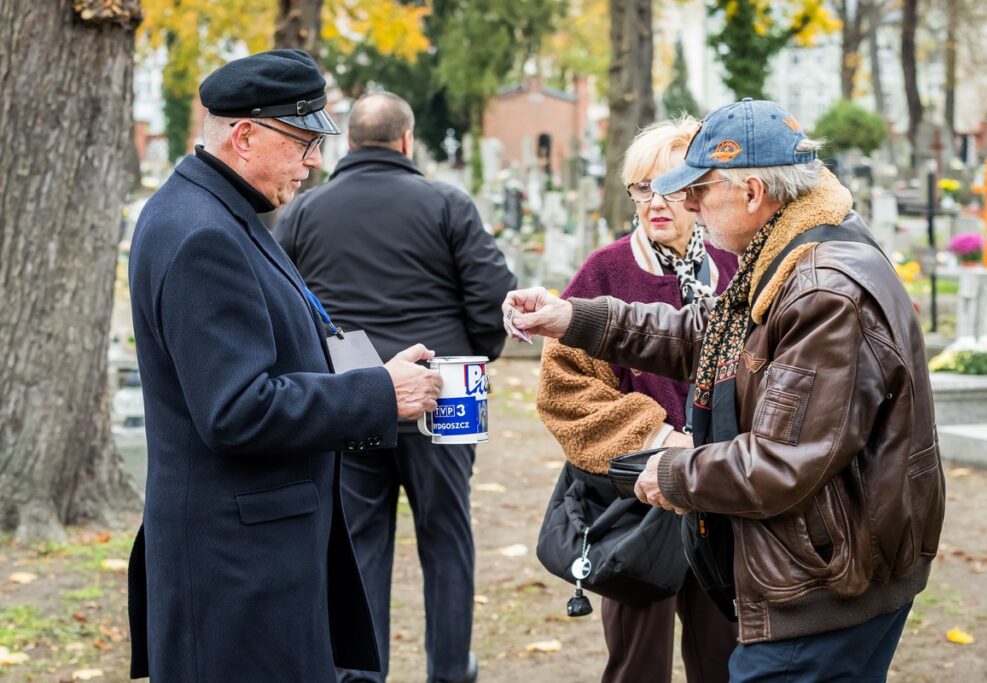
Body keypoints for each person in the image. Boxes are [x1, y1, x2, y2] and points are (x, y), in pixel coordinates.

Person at [504, 98, 944, 682]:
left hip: (821, 585)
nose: (684, 204)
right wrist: (574, 319)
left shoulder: (819, 290)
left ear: (752, 192)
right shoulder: (789, 252)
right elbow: (707, 336)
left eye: (698, 190)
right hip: (826, 564)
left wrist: (665, 471)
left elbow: (782, 463)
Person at [126, 51, 443, 683]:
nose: (315, 162)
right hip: (236, 570)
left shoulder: (217, 211)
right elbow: (236, 410)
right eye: (302, 142)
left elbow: (270, 352)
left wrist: (370, 374)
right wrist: (377, 394)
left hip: (255, 558)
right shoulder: (202, 234)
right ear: (244, 136)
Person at [275, 91, 516, 683]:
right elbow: (492, 293)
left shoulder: (305, 212)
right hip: (442, 395)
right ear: (407, 141)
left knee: (359, 542)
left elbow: (282, 301)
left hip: (354, 396)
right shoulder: (447, 204)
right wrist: (468, 359)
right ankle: (451, 669)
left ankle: (360, 673)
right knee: (447, 535)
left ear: (348, 142)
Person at [535, 119, 738, 683]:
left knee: (726, 657)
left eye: (672, 187)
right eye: (643, 188)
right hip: (636, 504)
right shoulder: (604, 272)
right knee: (637, 665)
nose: (656, 203)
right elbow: (566, 392)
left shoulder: (736, 268)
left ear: (702, 190)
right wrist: (661, 441)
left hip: (724, 495)